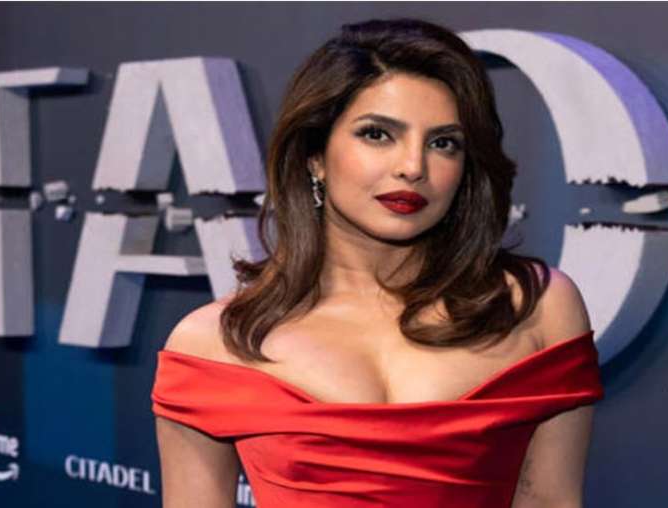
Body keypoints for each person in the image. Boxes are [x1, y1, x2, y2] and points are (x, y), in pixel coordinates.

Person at [151, 17, 604, 508]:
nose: (413, 167)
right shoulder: (212, 344)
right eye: (377, 134)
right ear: (315, 156)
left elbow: (550, 500)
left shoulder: (537, 307)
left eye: (443, 143)